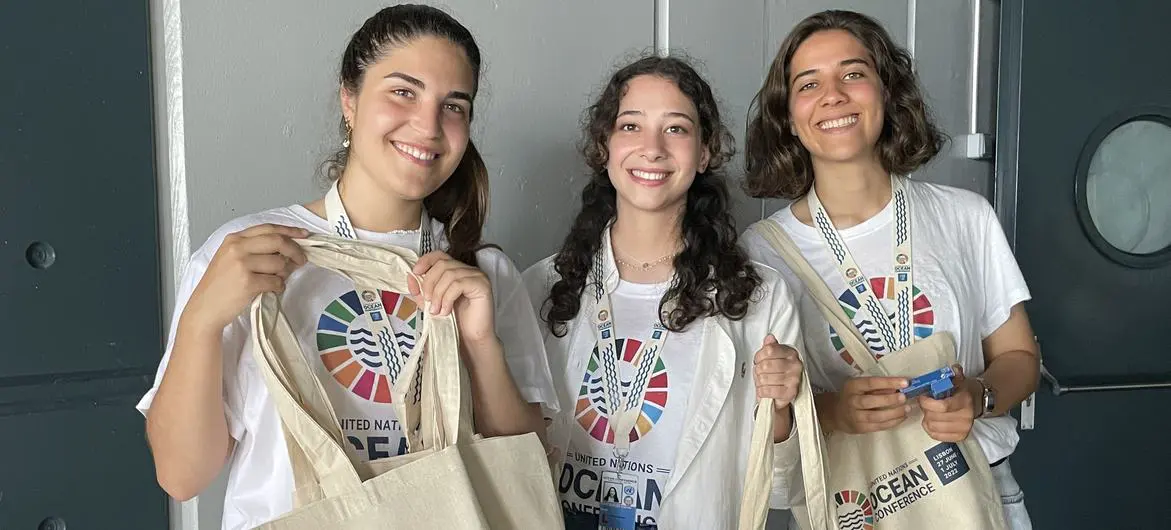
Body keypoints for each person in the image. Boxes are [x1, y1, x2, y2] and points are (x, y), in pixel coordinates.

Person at [135, 5, 556, 528]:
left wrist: (478, 343)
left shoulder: (483, 273)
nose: (427, 125)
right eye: (403, 92)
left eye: (453, 105)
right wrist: (202, 320)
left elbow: (528, 466)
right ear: (350, 101)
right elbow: (181, 476)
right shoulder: (249, 253)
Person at [740, 9, 1039, 530]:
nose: (833, 94)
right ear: (787, 115)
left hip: (974, 490)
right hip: (857, 502)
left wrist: (979, 394)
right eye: (809, 84)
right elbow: (760, 408)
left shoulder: (963, 216)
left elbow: (1019, 357)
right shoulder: (761, 253)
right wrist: (833, 412)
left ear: (887, 92)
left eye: (853, 74)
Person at [523, 55, 806, 530]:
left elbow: (784, 492)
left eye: (676, 129)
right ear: (603, 146)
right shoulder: (542, 288)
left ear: (705, 152)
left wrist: (782, 411)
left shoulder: (759, 299)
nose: (652, 148)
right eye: (630, 125)